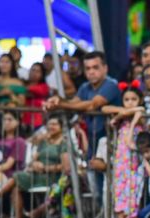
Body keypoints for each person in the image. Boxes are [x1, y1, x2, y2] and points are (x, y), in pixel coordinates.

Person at [44, 51, 121, 204]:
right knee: (97, 189)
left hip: (112, 143)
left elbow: (92, 104)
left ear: (105, 68)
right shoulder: (85, 87)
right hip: (93, 143)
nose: (91, 71)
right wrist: (56, 101)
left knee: (111, 189)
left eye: (95, 67)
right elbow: (74, 103)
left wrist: (61, 103)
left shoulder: (111, 85)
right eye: (88, 68)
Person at [0, 116, 68, 218]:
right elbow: (32, 160)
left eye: (55, 124)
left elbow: (66, 167)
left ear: (61, 127)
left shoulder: (64, 144)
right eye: (49, 124)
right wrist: (34, 164)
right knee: (16, 185)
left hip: (53, 177)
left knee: (17, 177)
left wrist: (46, 168)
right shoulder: (44, 143)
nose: (51, 127)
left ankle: (0, 194)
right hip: (36, 175)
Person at [104, 83, 145, 218]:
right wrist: (123, 113)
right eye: (126, 99)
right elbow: (105, 109)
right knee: (120, 196)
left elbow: (140, 111)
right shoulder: (123, 119)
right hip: (121, 165)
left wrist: (127, 114)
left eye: (133, 99)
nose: (130, 102)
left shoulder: (139, 117)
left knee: (131, 197)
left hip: (134, 165)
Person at [0, 110, 26, 218]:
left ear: (17, 122)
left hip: (9, 174)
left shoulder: (19, 141)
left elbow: (8, 165)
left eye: (10, 119)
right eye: (4, 119)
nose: (6, 122)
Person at [23, 63, 50, 129]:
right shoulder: (23, 83)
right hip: (24, 121)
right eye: (33, 70)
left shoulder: (44, 87)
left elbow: (41, 91)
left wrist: (25, 89)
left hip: (38, 122)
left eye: (38, 71)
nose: (34, 73)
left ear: (42, 74)